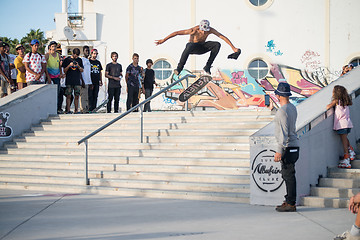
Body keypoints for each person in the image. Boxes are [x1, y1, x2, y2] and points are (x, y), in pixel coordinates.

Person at [155, 19, 240, 75]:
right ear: (200, 28)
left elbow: (222, 37)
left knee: (217, 44)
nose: (203, 33)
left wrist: (233, 48)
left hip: (202, 48)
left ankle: (207, 66)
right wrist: (163, 40)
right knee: (190, 45)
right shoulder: (193, 30)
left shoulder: (210, 30)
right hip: (192, 48)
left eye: (205, 31)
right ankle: (179, 68)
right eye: (202, 31)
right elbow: (176, 33)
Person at [273, 82, 300, 212]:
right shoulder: (292, 108)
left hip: (287, 147)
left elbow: (283, 133)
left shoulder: (282, 111)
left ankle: (291, 203)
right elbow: (286, 123)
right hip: (294, 145)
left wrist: (279, 151)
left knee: (288, 176)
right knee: (289, 175)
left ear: (278, 95)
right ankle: (289, 200)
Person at [326, 85, 355, 168]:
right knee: (345, 139)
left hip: (342, 125)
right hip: (347, 123)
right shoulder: (346, 101)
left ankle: (347, 157)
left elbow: (328, 107)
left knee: (344, 140)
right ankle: (350, 151)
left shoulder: (337, 101)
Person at [62, 48, 84, 114]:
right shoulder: (67, 60)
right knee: (69, 96)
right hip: (69, 80)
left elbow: (82, 70)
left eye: (77, 56)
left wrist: (78, 66)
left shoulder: (79, 60)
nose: (76, 57)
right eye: (75, 55)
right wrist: (69, 65)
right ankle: (68, 110)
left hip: (77, 80)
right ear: (73, 54)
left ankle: (76, 110)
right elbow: (64, 71)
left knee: (77, 96)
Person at [45, 41, 64, 113]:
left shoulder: (58, 55)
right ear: (50, 47)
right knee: (50, 93)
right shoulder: (47, 55)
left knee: (58, 92)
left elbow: (59, 65)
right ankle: (50, 108)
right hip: (49, 76)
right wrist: (48, 77)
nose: (54, 48)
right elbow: (45, 67)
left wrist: (61, 73)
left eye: (55, 46)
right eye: (53, 46)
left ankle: (57, 108)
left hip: (57, 76)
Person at [80, 46, 92, 113]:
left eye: (88, 50)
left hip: (88, 81)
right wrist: (82, 81)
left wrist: (90, 82)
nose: (87, 52)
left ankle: (86, 109)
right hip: (83, 81)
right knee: (83, 97)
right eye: (86, 50)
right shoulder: (82, 60)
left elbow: (88, 72)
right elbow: (80, 71)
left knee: (87, 97)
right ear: (83, 51)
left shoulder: (88, 60)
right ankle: (83, 109)